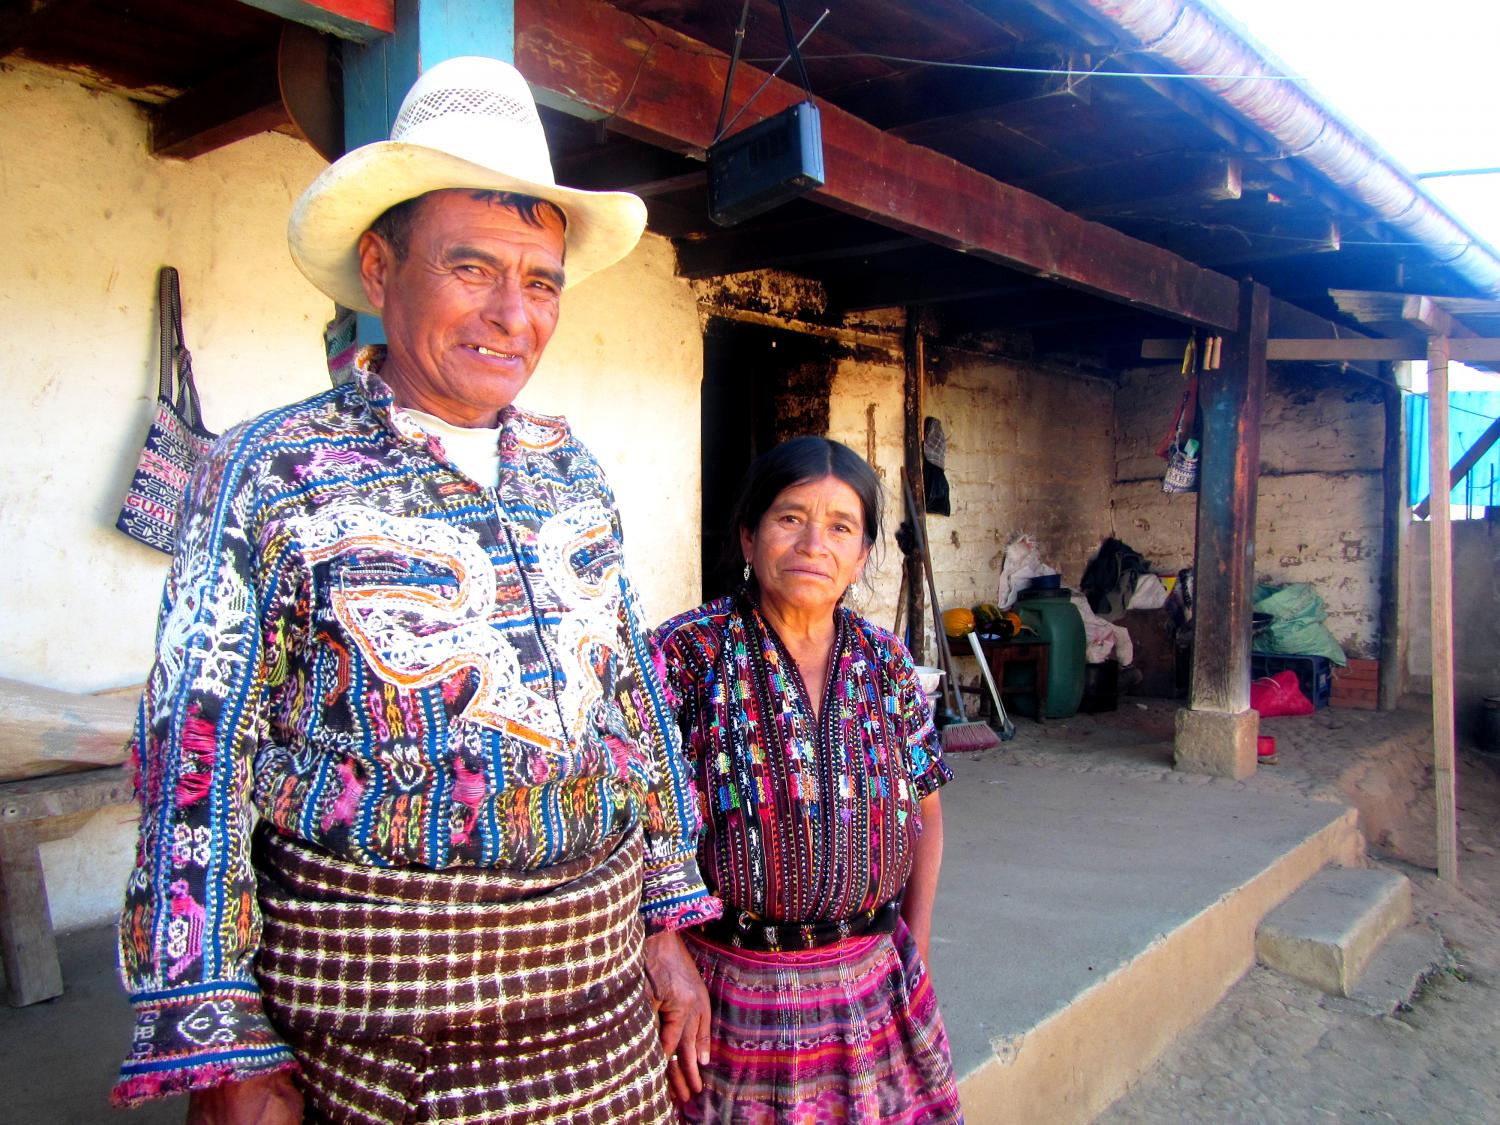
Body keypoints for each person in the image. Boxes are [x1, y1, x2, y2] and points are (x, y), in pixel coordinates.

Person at [113, 56, 720, 1125]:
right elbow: (194, 757)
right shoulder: (271, 470)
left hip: (597, 1001)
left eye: (540, 281)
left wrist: (666, 926)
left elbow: (633, 707)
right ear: (381, 266)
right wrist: (222, 1042)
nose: (513, 315)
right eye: (472, 268)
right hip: (374, 1020)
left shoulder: (571, 473)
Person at [655, 437, 964, 1124]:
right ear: (748, 534)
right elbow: (633, 824)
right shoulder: (686, 654)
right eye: (790, 517)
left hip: (872, 988)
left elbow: (926, 809)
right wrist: (664, 947)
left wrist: (915, 947)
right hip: (728, 993)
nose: (813, 543)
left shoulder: (886, 662)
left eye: (840, 526)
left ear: (860, 556)